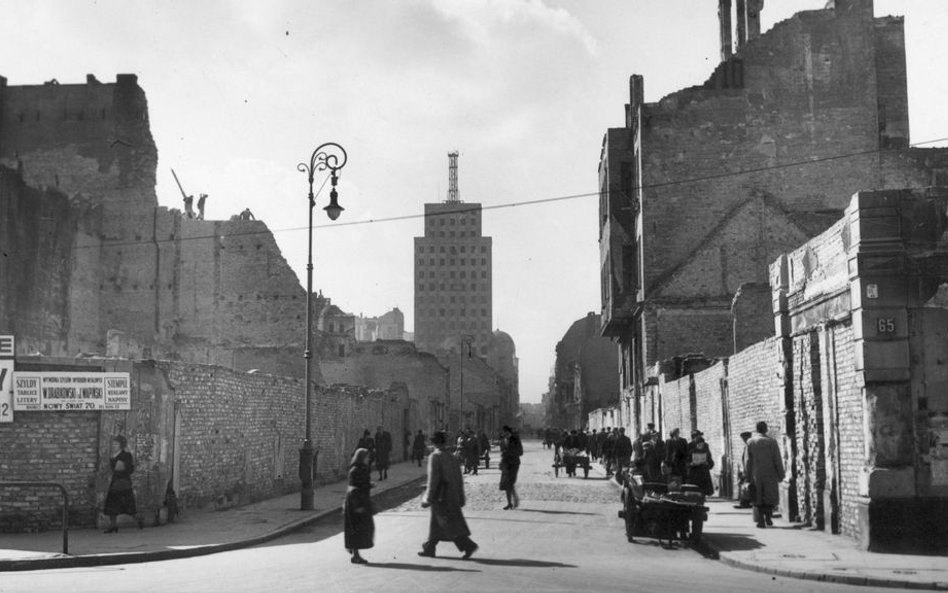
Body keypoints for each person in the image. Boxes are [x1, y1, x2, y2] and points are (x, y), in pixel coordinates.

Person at [418, 431, 478, 559]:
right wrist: (461, 496)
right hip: (452, 495)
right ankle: (429, 547)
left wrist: (427, 498)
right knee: (437, 523)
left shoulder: (435, 457)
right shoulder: (452, 456)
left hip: (440, 497)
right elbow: (459, 478)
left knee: (449, 524)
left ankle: (468, 545)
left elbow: (433, 480)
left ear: (433, 443)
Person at [745, 421, 785, 528]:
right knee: (768, 496)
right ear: (766, 429)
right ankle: (768, 517)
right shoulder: (772, 442)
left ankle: (761, 520)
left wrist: (747, 476)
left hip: (756, 474)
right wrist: (781, 474)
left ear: (757, 429)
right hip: (770, 474)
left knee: (758, 497)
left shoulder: (750, 442)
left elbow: (748, 461)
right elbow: (777, 459)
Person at [344, 448, 375, 564]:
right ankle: (355, 554)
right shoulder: (355, 470)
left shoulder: (362, 469)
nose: (369, 459)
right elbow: (353, 488)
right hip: (355, 503)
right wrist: (358, 506)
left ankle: (354, 550)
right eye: (367, 457)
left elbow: (361, 483)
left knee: (363, 528)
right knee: (356, 529)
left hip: (361, 501)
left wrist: (369, 485)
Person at [103, 435, 136, 533]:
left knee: (128, 504)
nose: (114, 445)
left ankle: (139, 520)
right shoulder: (113, 455)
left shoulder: (126, 455)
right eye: (113, 444)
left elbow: (130, 469)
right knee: (112, 504)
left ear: (121, 445)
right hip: (115, 481)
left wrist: (122, 468)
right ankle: (113, 525)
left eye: (116, 444)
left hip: (124, 482)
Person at [499, 425, 523, 509]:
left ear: (509, 432)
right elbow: (502, 452)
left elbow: (520, 452)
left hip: (514, 464)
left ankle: (514, 499)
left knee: (510, 482)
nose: (504, 434)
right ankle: (510, 502)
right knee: (506, 483)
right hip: (506, 464)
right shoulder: (502, 441)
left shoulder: (515, 440)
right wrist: (501, 463)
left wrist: (510, 453)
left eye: (506, 432)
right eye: (503, 432)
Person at [687, 430, 715, 495]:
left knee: (703, 491)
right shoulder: (689, 446)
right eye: (697, 436)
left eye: (699, 436)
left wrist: (708, 463)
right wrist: (690, 464)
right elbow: (686, 459)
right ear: (693, 437)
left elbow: (709, 458)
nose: (698, 438)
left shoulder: (705, 445)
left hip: (703, 471)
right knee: (694, 491)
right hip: (694, 472)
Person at [736, 431, 754, 509]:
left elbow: (748, 460)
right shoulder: (747, 446)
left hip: (750, 470)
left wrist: (745, 471)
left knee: (746, 486)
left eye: (744, 438)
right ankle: (744, 502)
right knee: (745, 486)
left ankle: (745, 502)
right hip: (747, 470)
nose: (743, 440)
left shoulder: (750, 446)